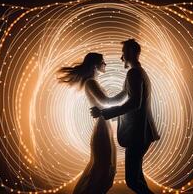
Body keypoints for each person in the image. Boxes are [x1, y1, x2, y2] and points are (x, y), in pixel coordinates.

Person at [91, 39, 160, 194]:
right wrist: (105, 103)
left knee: (132, 181)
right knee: (138, 179)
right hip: (142, 133)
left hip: (138, 134)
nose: (121, 58)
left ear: (129, 53)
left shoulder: (134, 73)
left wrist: (104, 113)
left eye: (123, 54)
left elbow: (134, 103)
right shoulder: (139, 72)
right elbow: (124, 95)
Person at [57, 53, 116, 194]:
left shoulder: (93, 82)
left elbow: (105, 104)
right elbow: (106, 101)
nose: (105, 64)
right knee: (103, 167)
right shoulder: (91, 82)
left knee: (104, 167)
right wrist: (128, 96)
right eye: (103, 62)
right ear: (96, 65)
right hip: (102, 127)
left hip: (104, 125)